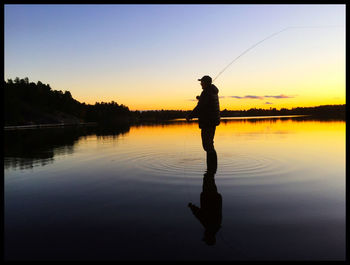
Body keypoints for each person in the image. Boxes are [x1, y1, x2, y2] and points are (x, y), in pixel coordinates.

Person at [188, 151, 222, 246]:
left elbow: (199, 215)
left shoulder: (212, 226)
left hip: (210, 195)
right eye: (205, 237)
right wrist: (191, 207)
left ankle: (211, 165)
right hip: (210, 195)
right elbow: (199, 215)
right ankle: (211, 165)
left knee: (209, 176)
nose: (204, 235)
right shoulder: (213, 226)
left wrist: (192, 207)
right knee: (208, 176)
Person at [186, 75, 220, 164]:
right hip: (212, 121)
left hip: (207, 122)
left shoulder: (206, 92)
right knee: (209, 145)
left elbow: (200, 107)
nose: (201, 84)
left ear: (206, 83)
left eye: (202, 82)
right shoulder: (212, 92)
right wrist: (200, 99)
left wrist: (190, 116)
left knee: (207, 145)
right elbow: (208, 104)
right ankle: (212, 169)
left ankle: (211, 167)